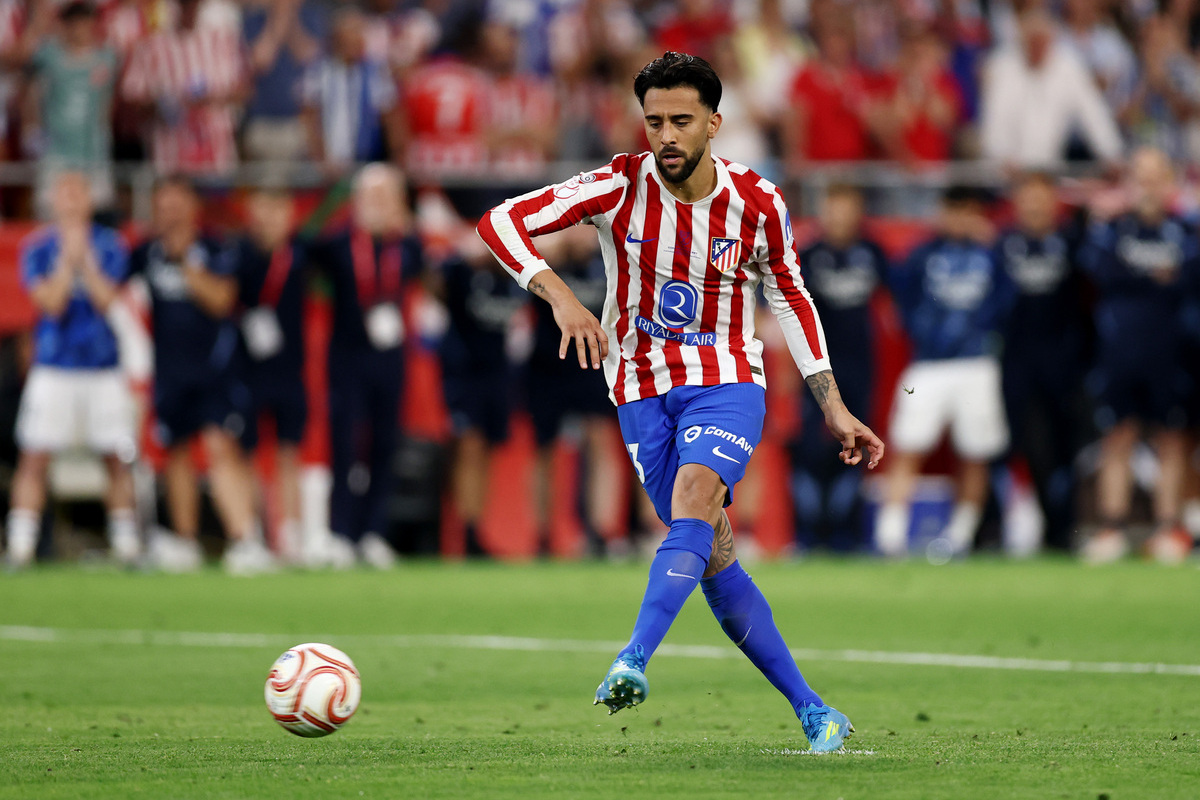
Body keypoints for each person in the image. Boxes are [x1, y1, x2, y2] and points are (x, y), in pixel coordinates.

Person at [477, 52, 883, 753]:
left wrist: (833, 403)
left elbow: (791, 297)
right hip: (638, 387)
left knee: (696, 498)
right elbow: (500, 223)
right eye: (655, 120)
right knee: (713, 551)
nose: (666, 135)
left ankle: (632, 658)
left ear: (714, 124)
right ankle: (815, 710)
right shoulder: (617, 184)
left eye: (681, 121)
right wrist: (561, 296)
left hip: (727, 379)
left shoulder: (758, 202)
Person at [128, 176, 273, 574]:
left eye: (177, 204)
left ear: (193, 207)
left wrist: (186, 264)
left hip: (216, 371)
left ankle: (245, 539)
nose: (170, 213)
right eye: (163, 206)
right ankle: (185, 541)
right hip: (170, 373)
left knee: (219, 448)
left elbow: (222, 300)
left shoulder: (215, 249)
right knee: (175, 454)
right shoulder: (147, 253)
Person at [5, 172, 137, 568]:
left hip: (102, 366)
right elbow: (52, 303)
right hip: (54, 366)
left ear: (90, 200)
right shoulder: (38, 248)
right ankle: (21, 547)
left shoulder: (110, 245)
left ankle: (127, 545)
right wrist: (67, 261)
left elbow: (106, 299)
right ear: (54, 201)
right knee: (34, 456)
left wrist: (87, 263)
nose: (72, 201)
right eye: (65, 194)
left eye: (79, 193)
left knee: (116, 456)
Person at [876, 186, 1014, 558]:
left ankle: (960, 537)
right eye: (953, 209)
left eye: (967, 210)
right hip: (928, 363)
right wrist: (920, 330)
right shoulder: (922, 254)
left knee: (975, 451)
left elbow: (1010, 301)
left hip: (977, 361)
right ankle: (890, 535)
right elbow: (899, 295)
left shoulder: (994, 253)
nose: (959, 218)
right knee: (907, 444)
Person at [1077, 147, 1198, 563]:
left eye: (1155, 176)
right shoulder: (1111, 231)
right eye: (1140, 177)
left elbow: (1187, 277)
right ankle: (1112, 528)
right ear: (1128, 183)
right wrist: (1157, 276)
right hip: (1119, 351)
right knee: (1118, 436)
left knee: (1172, 438)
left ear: (1170, 182)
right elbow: (1102, 270)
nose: (1148, 186)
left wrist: (1143, 276)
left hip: (1172, 351)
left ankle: (1168, 529)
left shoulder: (1186, 232)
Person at [309, 164, 422, 568]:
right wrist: (337, 200)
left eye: (387, 196)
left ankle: (373, 532)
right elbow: (306, 242)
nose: (379, 205)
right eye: (372, 196)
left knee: (385, 445)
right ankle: (341, 532)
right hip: (347, 358)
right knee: (345, 444)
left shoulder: (406, 246)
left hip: (390, 360)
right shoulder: (339, 243)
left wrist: (405, 223)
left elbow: (422, 270)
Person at [994, 172, 1091, 552]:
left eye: (1041, 198)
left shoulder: (1073, 242)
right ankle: (1008, 527)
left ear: (1054, 203)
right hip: (1017, 363)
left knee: (1066, 447)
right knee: (1024, 445)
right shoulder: (1002, 245)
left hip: (1065, 362)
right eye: (1027, 198)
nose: (1034, 206)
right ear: (1016, 204)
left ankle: (1064, 529)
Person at [793, 184, 889, 552]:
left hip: (860, 367)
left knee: (857, 444)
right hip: (815, 371)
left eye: (847, 210)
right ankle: (807, 535)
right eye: (833, 209)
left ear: (859, 213)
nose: (840, 218)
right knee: (810, 449)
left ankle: (847, 534)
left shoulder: (872, 253)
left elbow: (900, 296)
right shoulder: (807, 256)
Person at [525, 226, 623, 558]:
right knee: (544, 450)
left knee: (600, 441)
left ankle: (600, 533)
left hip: (595, 361)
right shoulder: (547, 260)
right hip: (548, 363)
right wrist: (557, 245)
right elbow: (517, 255)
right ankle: (542, 537)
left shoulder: (608, 259)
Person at [431, 245, 527, 558]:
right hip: (463, 372)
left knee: (486, 450)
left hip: (498, 374)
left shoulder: (516, 277)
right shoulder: (461, 271)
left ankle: (475, 528)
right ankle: (461, 531)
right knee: (468, 447)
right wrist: (463, 256)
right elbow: (432, 279)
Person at [229, 186, 308, 564]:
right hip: (246, 370)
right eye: (263, 209)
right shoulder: (238, 254)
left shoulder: (301, 253)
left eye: (278, 209)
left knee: (289, 452)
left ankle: (291, 536)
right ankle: (253, 534)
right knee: (246, 454)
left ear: (291, 214)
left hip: (290, 369)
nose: (270, 218)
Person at [980, 7, 1123, 169]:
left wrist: (1111, 153)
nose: (1037, 49)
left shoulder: (1068, 67)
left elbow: (1093, 111)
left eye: (1042, 42)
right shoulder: (1003, 68)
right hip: (1006, 169)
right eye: (1032, 43)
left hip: (1049, 168)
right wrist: (1001, 155)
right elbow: (996, 118)